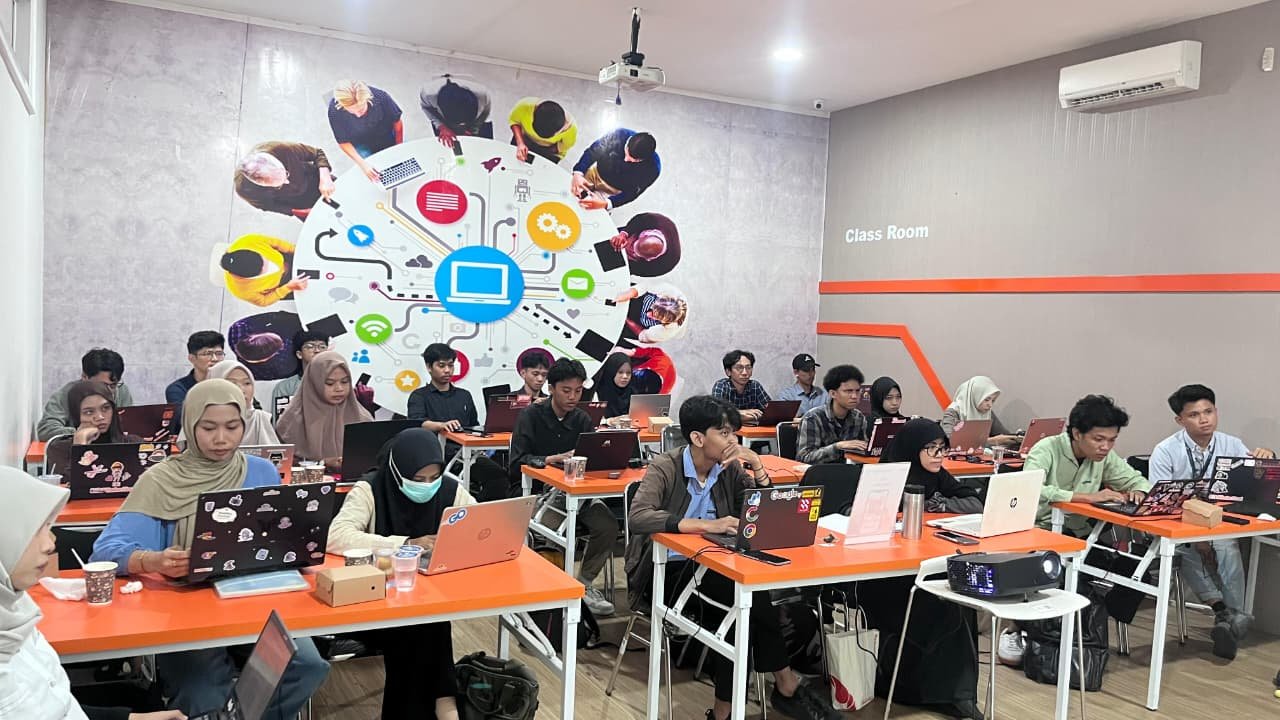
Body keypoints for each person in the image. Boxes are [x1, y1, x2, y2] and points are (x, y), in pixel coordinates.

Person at [89, 380, 329, 717]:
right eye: (208, 428)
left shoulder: (260, 470)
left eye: (232, 427)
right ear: (190, 426)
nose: (221, 439)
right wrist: (153, 560)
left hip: (256, 602)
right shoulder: (161, 479)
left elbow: (280, 538)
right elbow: (104, 551)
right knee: (202, 690)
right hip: (186, 612)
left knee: (305, 666)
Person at [626, 396, 837, 720]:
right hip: (667, 570)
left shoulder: (729, 469)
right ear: (698, 438)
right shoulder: (666, 466)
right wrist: (705, 525)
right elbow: (638, 517)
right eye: (724, 433)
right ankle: (784, 686)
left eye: (733, 433)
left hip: (718, 565)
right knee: (745, 604)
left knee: (744, 604)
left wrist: (757, 467)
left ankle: (729, 710)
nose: (732, 441)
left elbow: (761, 513)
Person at [0, 467, 189, 720]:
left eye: (49, 527)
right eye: (37, 531)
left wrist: (132, 719)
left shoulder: (18, 614)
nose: (51, 543)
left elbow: (56, 705)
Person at [327, 429, 470, 719]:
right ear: (396, 470)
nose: (427, 486)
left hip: (424, 600)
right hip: (371, 601)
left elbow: (479, 522)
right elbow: (336, 536)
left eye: (433, 477)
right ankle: (446, 706)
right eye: (418, 479)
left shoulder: (449, 489)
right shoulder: (370, 488)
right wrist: (404, 544)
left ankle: (437, 707)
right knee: (424, 626)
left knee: (426, 621)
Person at [1000, 395, 1151, 668]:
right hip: (1038, 531)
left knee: (1137, 572)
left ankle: (1090, 625)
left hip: (1079, 536)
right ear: (1077, 433)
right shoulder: (1046, 449)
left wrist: (1139, 490)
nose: (1106, 447)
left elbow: (1136, 480)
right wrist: (1084, 497)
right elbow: (1032, 488)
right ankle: (1017, 630)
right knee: (1065, 578)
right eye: (1099, 439)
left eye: (1112, 440)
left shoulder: (1105, 457)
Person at [850, 418, 984, 719]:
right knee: (938, 601)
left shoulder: (937, 476)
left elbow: (975, 502)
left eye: (942, 449)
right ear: (912, 449)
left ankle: (955, 691)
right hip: (884, 573)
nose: (938, 456)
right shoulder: (886, 475)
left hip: (923, 560)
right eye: (931, 449)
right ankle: (915, 687)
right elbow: (851, 511)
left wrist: (941, 504)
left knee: (957, 596)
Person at [1149, 384, 1273, 659]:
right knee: (1184, 550)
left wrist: (1266, 458)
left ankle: (1228, 616)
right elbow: (1161, 502)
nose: (1204, 419)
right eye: (1194, 415)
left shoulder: (1231, 444)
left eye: (1208, 412)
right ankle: (1229, 616)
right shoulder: (1166, 451)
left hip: (1220, 521)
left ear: (1216, 411)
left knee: (1227, 545)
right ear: (1180, 420)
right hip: (1179, 522)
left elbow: (1254, 484)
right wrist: (1198, 537)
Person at [508, 358, 619, 616]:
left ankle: (584, 584)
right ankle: (548, 591)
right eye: (566, 390)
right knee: (551, 529)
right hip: (537, 492)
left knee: (608, 525)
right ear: (551, 389)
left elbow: (593, 457)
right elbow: (516, 462)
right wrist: (551, 459)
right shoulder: (530, 416)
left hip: (575, 494)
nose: (572, 397)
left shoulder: (582, 418)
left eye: (578, 391)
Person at [406, 343, 508, 502]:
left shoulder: (464, 395)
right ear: (429, 367)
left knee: (499, 477)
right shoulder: (419, 396)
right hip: (435, 455)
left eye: (451, 365)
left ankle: (477, 511)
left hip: (468, 453)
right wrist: (441, 425)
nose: (447, 370)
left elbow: (474, 425)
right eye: (441, 366)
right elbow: (416, 423)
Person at [276, 351, 372, 471]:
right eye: (330, 383)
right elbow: (282, 465)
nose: (339, 389)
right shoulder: (290, 422)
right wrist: (322, 463)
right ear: (314, 383)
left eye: (344, 382)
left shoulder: (363, 418)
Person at [37, 348, 135, 441]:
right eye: (102, 385)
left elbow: (128, 426)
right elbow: (46, 430)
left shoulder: (121, 390)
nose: (108, 391)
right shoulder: (66, 394)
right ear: (85, 377)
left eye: (113, 385)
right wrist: (81, 433)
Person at [232, 141, 334, 220]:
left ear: (276, 161)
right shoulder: (245, 189)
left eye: (286, 174)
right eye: (278, 185)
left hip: (316, 179)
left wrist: (325, 178)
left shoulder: (281, 149)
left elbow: (317, 153)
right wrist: (296, 211)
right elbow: (266, 205)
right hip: (298, 203)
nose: (287, 182)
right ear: (260, 184)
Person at [328, 80, 403, 182]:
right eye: (351, 111)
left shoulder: (382, 97)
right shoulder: (334, 111)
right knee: (376, 176)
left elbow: (397, 123)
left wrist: (399, 147)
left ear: (368, 98)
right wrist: (363, 164)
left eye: (361, 109)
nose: (358, 115)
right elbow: (343, 142)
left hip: (387, 136)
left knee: (400, 164)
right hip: (361, 145)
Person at [570, 128, 660, 210]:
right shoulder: (619, 135)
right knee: (572, 195)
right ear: (628, 142)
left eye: (634, 160)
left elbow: (632, 193)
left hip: (611, 191)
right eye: (626, 152)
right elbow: (593, 151)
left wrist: (607, 203)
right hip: (595, 173)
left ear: (644, 159)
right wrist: (578, 172)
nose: (626, 159)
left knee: (591, 211)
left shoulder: (653, 169)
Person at [796, 364, 869, 464]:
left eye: (857, 391)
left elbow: (863, 452)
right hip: (820, 471)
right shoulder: (813, 418)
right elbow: (804, 458)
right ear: (833, 393)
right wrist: (837, 446)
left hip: (849, 470)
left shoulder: (858, 417)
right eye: (848, 391)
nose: (854, 396)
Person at [219, 234, 307, 306]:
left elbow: (277, 243)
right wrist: (287, 288)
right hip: (284, 285)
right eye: (263, 270)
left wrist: (298, 251)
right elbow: (264, 301)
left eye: (264, 259)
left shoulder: (247, 241)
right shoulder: (240, 291)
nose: (269, 265)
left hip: (288, 257)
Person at [207, 360, 279, 445]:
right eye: (232, 384)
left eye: (247, 383)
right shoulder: (203, 419)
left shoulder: (260, 419)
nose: (241, 390)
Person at [939, 376, 1019, 447]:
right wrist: (992, 441)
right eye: (986, 399)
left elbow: (1002, 434)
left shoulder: (987, 412)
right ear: (975, 396)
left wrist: (1017, 437)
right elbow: (949, 441)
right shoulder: (953, 412)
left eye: (993, 400)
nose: (990, 404)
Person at [418, 74, 493, 147]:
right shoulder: (428, 94)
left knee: (485, 144)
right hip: (445, 119)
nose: (461, 125)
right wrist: (441, 126)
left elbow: (485, 112)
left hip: (475, 119)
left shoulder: (483, 95)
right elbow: (426, 108)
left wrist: (473, 130)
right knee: (446, 144)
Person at [270, 330, 328, 422]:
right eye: (310, 346)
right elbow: (280, 424)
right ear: (299, 354)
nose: (317, 350)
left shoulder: (339, 384)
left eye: (322, 347)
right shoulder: (285, 387)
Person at [614, 282, 689, 345]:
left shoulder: (665, 333)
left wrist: (625, 319)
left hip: (637, 324)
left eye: (655, 317)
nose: (648, 314)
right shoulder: (670, 291)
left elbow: (642, 334)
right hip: (641, 298)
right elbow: (646, 286)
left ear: (665, 322)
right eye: (652, 308)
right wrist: (629, 294)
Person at [610, 212, 681, 277]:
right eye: (632, 244)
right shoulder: (654, 220)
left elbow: (635, 270)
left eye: (635, 254)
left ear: (648, 259)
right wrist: (624, 234)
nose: (627, 248)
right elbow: (637, 221)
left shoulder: (664, 265)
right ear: (643, 235)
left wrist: (626, 263)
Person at [508, 97, 577, 163]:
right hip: (524, 138)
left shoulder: (571, 128)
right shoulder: (524, 106)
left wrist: (542, 152)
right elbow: (514, 121)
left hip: (549, 150)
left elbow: (565, 145)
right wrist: (520, 143)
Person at [165, 331, 226, 406]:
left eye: (219, 354)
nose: (215, 359)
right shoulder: (178, 389)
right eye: (208, 354)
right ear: (192, 358)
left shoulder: (229, 384)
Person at [711, 350, 770, 425]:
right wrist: (738, 413)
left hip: (753, 430)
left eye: (748, 368)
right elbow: (715, 413)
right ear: (728, 371)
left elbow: (771, 411)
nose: (745, 373)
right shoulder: (721, 385)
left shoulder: (755, 386)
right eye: (739, 368)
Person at [592, 352, 633, 419]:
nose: (625, 376)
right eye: (620, 372)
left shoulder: (633, 393)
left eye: (628, 373)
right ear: (611, 372)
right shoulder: (598, 394)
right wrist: (609, 421)